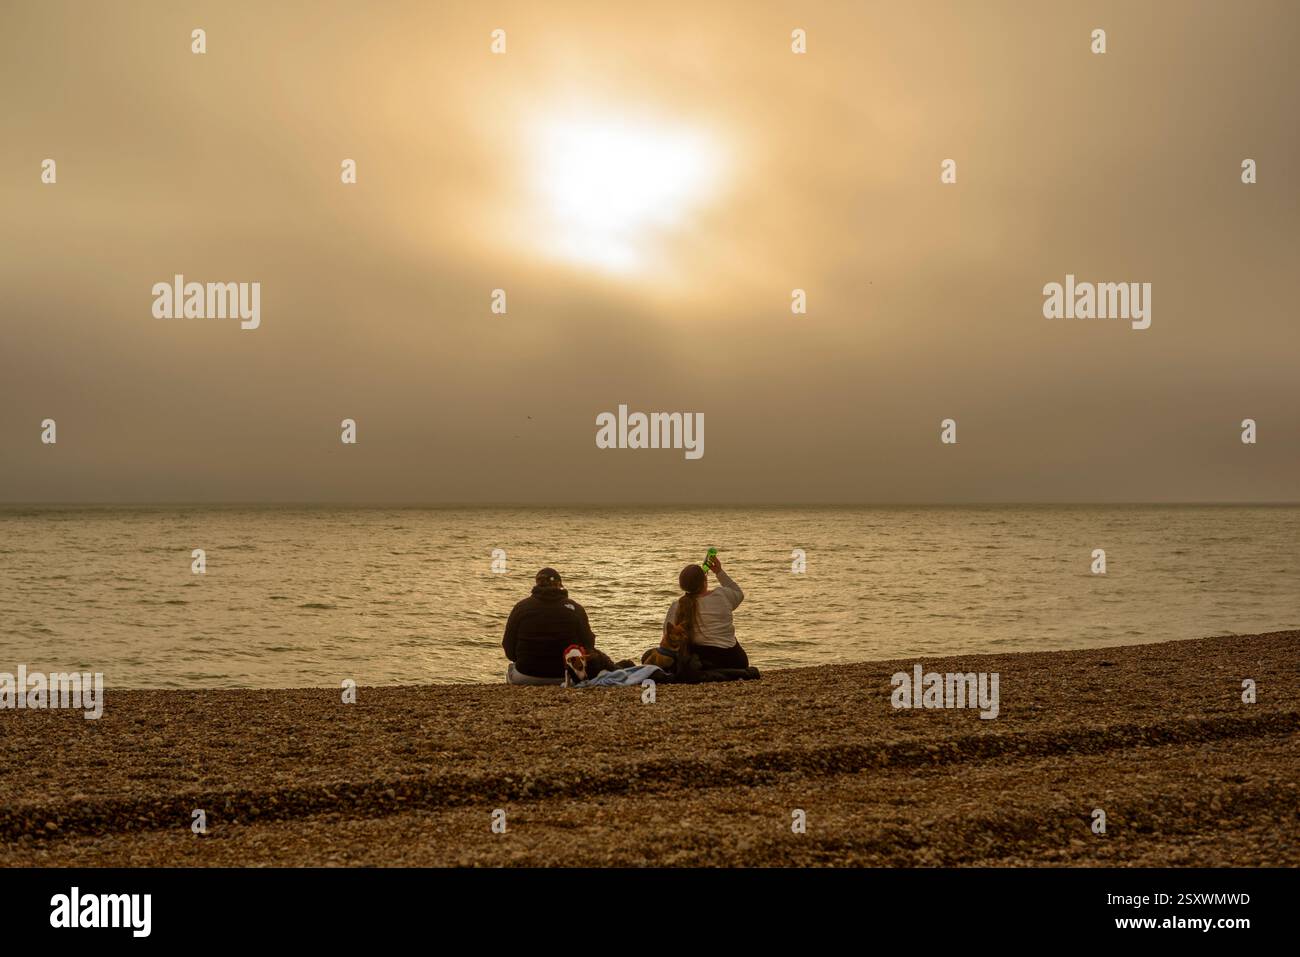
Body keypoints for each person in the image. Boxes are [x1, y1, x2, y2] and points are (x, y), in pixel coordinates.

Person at [502, 567, 598, 685]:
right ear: (559, 584)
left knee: (512, 667)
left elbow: (508, 647)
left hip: (525, 675)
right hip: (566, 676)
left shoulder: (521, 607)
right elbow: (588, 643)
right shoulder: (575, 608)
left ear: (537, 584)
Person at [664, 554, 749, 669]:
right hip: (735, 660)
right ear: (705, 580)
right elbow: (738, 593)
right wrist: (719, 571)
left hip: (702, 660)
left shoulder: (677, 606)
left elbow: (667, 635)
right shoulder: (722, 595)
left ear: (682, 586)